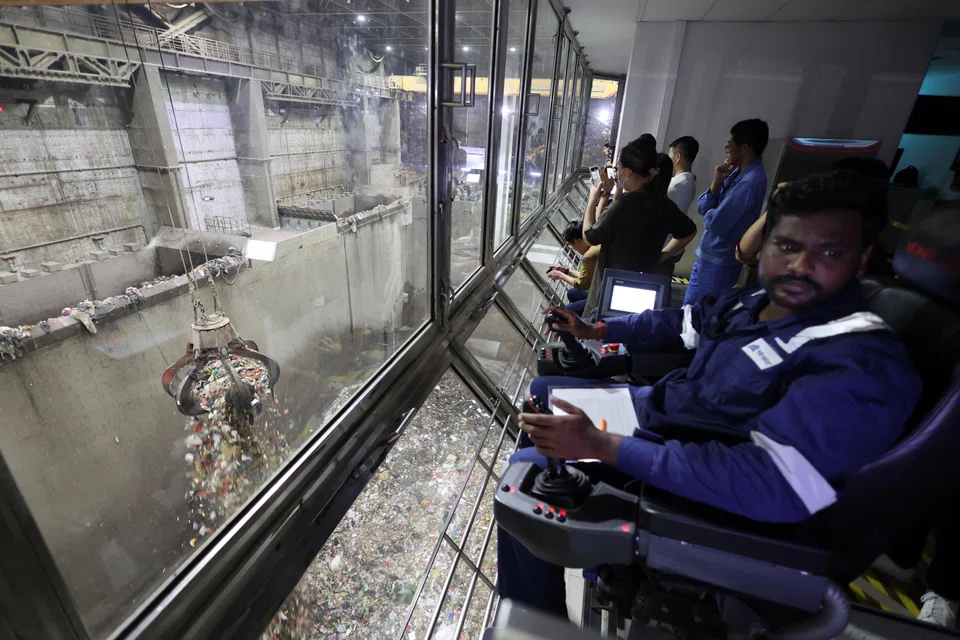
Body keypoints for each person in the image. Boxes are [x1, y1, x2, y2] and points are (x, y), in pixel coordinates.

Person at [498, 170, 922, 617]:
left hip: (705, 480)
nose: (801, 265)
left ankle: (537, 615)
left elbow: (773, 482)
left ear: (861, 260)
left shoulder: (860, 359)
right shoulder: (751, 302)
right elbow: (681, 322)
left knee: (526, 478)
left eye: (830, 252)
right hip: (664, 420)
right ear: (766, 246)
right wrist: (596, 327)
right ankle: (588, 556)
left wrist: (603, 446)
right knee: (547, 393)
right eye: (788, 245)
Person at [580, 135, 697, 317]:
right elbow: (689, 232)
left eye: (618, 167)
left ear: (627, 172)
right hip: (641, 287)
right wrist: (661, 256)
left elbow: (589, 236)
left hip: (610, 289)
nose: (617, 171)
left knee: (603, 335)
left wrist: (592, 198)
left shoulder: (623, 207)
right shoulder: (663, 204)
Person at [685, 119, 770, 306]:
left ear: (745, 148)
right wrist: (716, 182)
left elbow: (716, 223)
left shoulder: (751, 182)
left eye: (729, 146)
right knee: (688, 311)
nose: (727, 149)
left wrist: (710, 211)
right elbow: (703, 205)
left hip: (721, 262)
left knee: (704, 315)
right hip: (708, 254)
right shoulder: (736, 173)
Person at [548, 221, 600, 317]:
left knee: (565, 312)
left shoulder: (589, 256)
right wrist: (566, 271)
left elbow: (582, 284)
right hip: (600, 285)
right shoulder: (596, 244)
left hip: (601, 295)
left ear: (577, 241)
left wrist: (561, 276)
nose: (574, 249)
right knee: (572, 293)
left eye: (572, 246)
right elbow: (588, 276)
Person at [667, 136, 699, 214]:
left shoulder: (677, 185)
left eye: (669, 158)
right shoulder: (688, 180)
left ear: (677, 157)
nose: (668, 162)